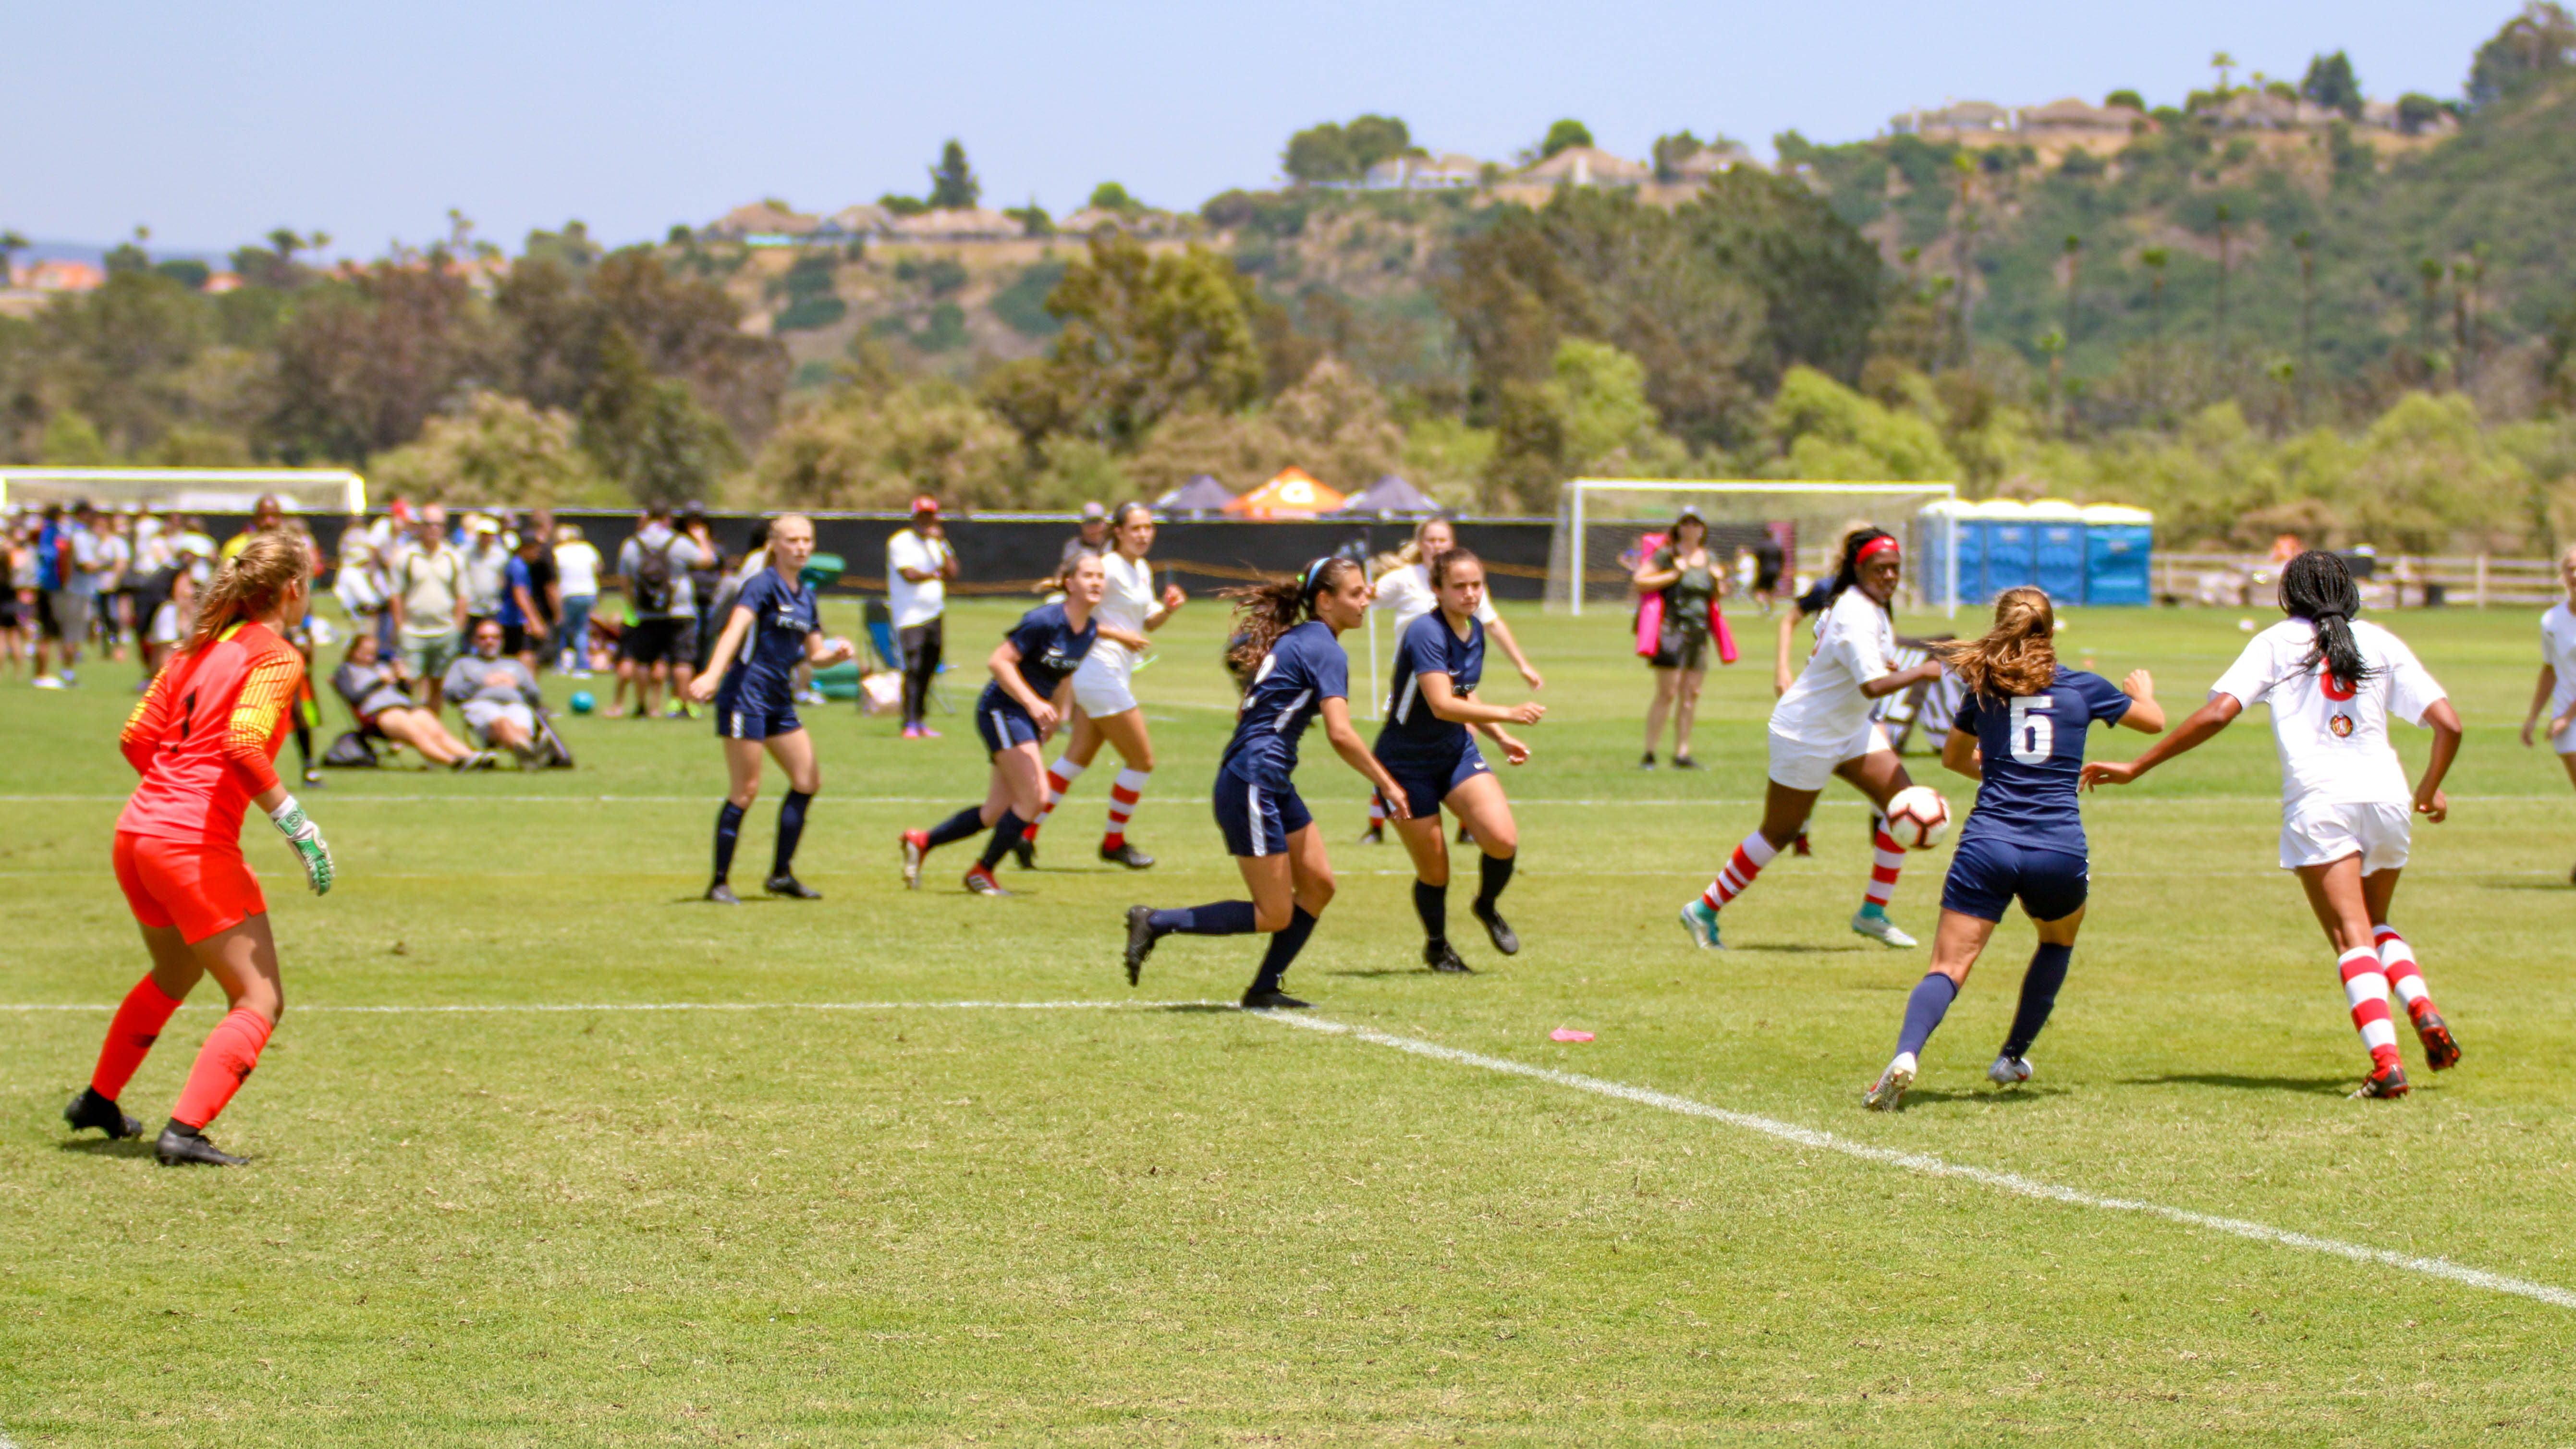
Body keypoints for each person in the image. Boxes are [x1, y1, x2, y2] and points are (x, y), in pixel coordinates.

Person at [2083, 550, 2464, 1099]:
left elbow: (2217, 712)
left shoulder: (2275, 641)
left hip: (2320, 802)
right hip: (2386, 796)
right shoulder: (2379, 640)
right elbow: (2448, 725)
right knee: (2376, 921)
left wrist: (2137, 765)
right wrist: (2426, 790)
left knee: (2348, 935)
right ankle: (2421, 1007)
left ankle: (2386, 1064)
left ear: (2288, 596)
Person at [63, 531, 336, 1167]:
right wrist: (297, 825)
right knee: (259, 998)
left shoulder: (195, 650)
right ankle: (183, 1132)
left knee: (176, 972)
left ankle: (99, 1101)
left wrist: (170, 795)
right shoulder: (275, 656)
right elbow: (243, 743)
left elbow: (138, 739)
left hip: (137, 837)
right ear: (293, 589)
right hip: (188, 845)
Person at [1860, 588, 2167, 1110]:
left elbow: (1954, 759)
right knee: (2056, 940)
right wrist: (2144, 690)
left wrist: (2005, 768)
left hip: (1988, 843)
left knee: (1946, 967)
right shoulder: (2083, 688)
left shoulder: (1981, 691)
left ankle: (1906, 1054)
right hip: (2058, 849)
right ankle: (2011, 1056)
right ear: (2048, 632)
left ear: (2000, 628)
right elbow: (2153, 722)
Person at [1122, 557, 1413, 1009]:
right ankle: (1156, 920)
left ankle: (1263, 989)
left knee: (1318, 886)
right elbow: (1341, 732)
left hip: (1266, 777)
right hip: (1253, 779)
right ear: (1324, 600)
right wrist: (1388, 785)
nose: (1365, 599)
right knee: (1273, 912)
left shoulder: (1299, 638)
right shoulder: (1326, 649)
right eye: (1355, 593)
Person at [1679, 528, 1945, 952]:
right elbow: (1873, 687)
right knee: (1778, 833)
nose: (1890, 575)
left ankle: (1872, 914)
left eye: (1895, 568)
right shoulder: (1855, 611)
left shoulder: (1864, 604)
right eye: (1881, 569)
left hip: (1850, 728)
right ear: (1859, 569)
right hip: (1806, 731)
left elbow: (1836, 649)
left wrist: (1884, 661)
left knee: (1900, 806)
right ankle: (1703, 909)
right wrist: (1923, 671)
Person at [901, 553, 1144, 896]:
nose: (1096, 582)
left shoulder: (1087, 629)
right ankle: (981, 872)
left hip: (1026, 719)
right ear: (1069, 582)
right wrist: (1032, 702)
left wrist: (1056, 716)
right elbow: (998, 662)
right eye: (1088, 575)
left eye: (1100, 576)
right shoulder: (1043, 620)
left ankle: (922, 841)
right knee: (1036, 797)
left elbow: (1063, 676)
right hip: (1001, 710)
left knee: (995, 811)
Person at [1375, 549, 1544, 974]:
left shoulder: (1474, 631)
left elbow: (1464, 693)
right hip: (1404, 764)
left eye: (1476, 585)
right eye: (1459, 586)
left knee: (1502, 840)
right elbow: (1440, 704)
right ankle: (1437, 946)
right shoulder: (1424, 632)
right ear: (1437, 589)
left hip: (1454, 752)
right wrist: (1507, 713)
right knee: (1435, 871)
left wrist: (1500, 737)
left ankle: (1486, 906)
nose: (1470, 594)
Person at [684, 514, 855, 903]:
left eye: (807, 540)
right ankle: (719, 883)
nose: (801, 547)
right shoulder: (761, 585)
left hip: (778, 698)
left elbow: (816, 656)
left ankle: (780, 874)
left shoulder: (806, 594)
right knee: (746, 790)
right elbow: (735, 629)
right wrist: (711, 674)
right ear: (775, 544)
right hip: (745, 695)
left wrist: (837, 653)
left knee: (807, 780)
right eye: (792, 540)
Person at [1022, 502, 1188, 869]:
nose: (1144, 534)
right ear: (1118, 532)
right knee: (1142, 761)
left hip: (1109, 673)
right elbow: (1072, 614)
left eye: (1148, 527)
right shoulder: (1108, 568)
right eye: (1135, 528)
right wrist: (1120, 635)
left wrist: (1169, 609)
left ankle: (1025, 831)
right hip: (1098, 672)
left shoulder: (1140, 568)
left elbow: (1149, 622)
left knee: (1075, 759)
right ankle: (1113, 842)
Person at [1360, 517, 1542, 845]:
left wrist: (1522, 665)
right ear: (1420, 544)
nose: (1436, 545)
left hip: (1449, 683)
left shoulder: (1467, 586)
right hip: (1412, 687)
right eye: (1430, 539)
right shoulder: (1403, 580)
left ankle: (1469, 824)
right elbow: (1365, 598)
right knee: (1402, 752)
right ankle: (1377, 825)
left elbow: (1493, 624)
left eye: (1443, 540)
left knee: (1461, 736)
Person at [1632, 507, 1725, 770]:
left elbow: (1719, 594)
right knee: (1667, 692)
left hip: (1699, 632)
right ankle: (1650, 752)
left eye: (1697, 524)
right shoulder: (1668, 555)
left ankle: (1682, 753)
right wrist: (1674, 574)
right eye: (1687, 523)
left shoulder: (1709, 557)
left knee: (1691, 694)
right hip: (1672, 629)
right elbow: (1640, 580)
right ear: (1679, 527)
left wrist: (1720, 582)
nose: (1692, 528)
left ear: (1703, 529)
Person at [330, 633, 491, 769]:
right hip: (379, 713)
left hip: (403, 706)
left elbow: (402, 694)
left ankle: (471, 757)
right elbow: (354, 697)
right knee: (417, 733)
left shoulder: (380, 667)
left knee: (435, 729)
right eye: (364, 653)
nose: (369, 658)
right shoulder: (345, 671)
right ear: (353, 651)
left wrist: (402, 681)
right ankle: (453, 762)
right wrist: (379, 682)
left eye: (372, 653)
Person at [616, 504, 712, 720]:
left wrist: (634, 604)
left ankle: (642, 707)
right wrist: (702, 539)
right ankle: (684, 705)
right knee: (682, 660)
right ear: (667, 519)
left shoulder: (632, 544)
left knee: (643, 661)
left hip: (647, 612)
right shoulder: (679, 542)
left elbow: (624, 579)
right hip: (680, 610)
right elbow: (707, 561)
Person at [2521, 544, 2576, 883]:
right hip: (2565, 722)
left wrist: (2566, 717)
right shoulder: (2552, 620)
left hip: (2567, 719)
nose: (2575, 574)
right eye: (2570, 568)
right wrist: (2532, 717)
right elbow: (2549, 668)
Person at [888, 496, 958, 739]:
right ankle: (908, 722)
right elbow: (909, 574)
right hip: (909, 614)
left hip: (934, 613)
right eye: (923, 516)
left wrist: (942, 544)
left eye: (932, 516)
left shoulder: (936, 544)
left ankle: (921, 720)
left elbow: (953, 572)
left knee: (930, 666)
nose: (928, 521)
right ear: (915, 518)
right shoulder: (901, 542)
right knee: (914, 666)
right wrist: (934, 574)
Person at [441, 621, 553, 767]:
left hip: (515, 704)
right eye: (483, 638)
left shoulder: (515, 665)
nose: (489, 642)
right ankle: (532, 751)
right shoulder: (463, 664)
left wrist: (519, 684)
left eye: (495, 637)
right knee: (502, 722)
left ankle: (526, 753)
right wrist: (481, 682)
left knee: (520, 725)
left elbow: (535, 697)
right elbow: (450, 694)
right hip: (481, 705)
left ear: (501, 641)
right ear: (474, 641)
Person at [390, 507, 468, 710]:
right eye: (429, 524)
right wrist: (400, 627)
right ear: (420, 527)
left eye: (439, 525)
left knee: (437, 684)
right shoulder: (406, 556)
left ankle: (432, 730)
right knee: (408, 684)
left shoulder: (453, 557)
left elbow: (462, 595)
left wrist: (457, 627)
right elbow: (396, 595)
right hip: (414, 631)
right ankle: (405, 732)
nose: (434, 529)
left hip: (444, 630)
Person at [554, 523, 602, 677]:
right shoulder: (588, 549)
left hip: (568, 593)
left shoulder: (559, 551)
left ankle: (562, 664)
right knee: (582, 629)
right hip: (588, 593)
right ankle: (582, 666)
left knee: (563, 629)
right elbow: (599, 568)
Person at [499, 531, 551, 673]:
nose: (538, 552)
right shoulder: (518, 566)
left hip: (513, 620)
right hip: (513, 621)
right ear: (524, 549)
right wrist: (534, 621)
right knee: (527, 657)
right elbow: (520, 594)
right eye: (534, 548)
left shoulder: (520, 565)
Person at [1059, 501, 1112, 577]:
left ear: (1105, 524)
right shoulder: (1074, 547)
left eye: (1097, 522)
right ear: (1083, 525)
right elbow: (1064, 573)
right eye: (1090, 523)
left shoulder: (1114, 545)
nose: (1094, 527)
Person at [1750, 530, 1786, 615]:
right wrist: (1780, 571)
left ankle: (1764, 607)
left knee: (1757, 591)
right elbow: (1782, 559)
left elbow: (1756, 559)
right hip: (1775, 572)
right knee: (1771, 592)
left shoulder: (1761, 546)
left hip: (1764, 571)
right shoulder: (1777, 547)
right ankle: (1771, 610)